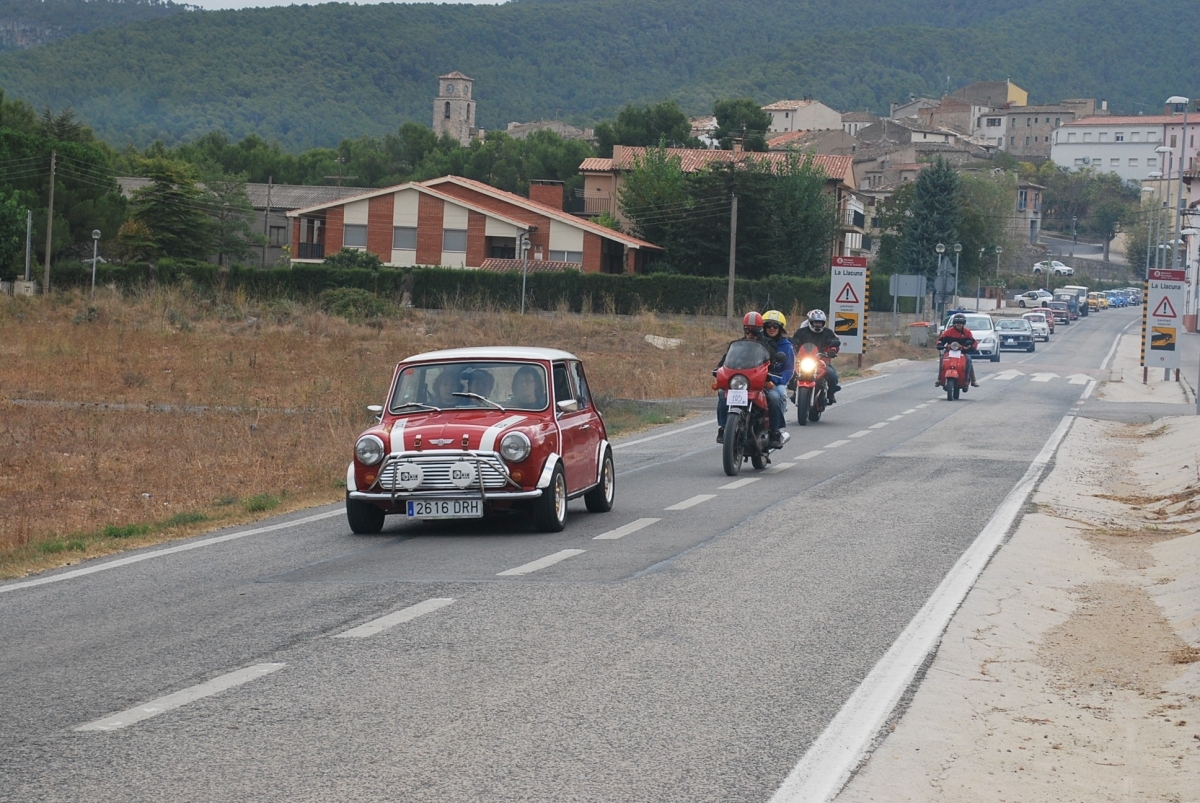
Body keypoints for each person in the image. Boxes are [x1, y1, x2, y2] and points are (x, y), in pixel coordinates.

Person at [715, 311, 783, 447]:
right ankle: (723, 428)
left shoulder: (768, 344)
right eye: (747, 329)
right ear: (744, 328)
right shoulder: (738, 345)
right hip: (741, 383)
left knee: (775, 397)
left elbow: (773, 359)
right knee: (722, 394)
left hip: (761, 383)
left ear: (760, 329)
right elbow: (725, 361)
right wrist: (718, 369)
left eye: (754, 330)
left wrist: (772, 373)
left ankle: (775, 432)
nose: (750, 333)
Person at [791, 310, 842, 403]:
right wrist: (793, 348)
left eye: (820, 322)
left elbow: (834, 342)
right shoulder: (801, 332)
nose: (818, 325)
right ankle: (795, 392)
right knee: (792, 373)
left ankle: (830, 394)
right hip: (804, 359)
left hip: (822, 361)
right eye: (815, 322)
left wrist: (832, 351)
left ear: (823, 323)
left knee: (833, 375)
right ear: (810, 322)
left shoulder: (828, 332)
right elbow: (795, 340)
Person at [761, 310, 794, 445]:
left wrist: (777, 380)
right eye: (769, 325)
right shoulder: (758, 342)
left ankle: (775, 431)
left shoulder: (786, 346)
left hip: (775, 381)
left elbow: (789, 369)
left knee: (776, 396)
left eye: (776, 326)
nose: (772, 329)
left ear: (781, 329)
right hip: (755, 379)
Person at [935, 313, 979, 387]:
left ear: (963, 323)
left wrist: (971, 347)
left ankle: (971, 380)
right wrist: (940, 344)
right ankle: (939, 379)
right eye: (957, 323)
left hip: (962, 352)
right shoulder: (948, 332)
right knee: (942, 358)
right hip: (949, 351)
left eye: (961, 323)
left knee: (968, 359)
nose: (959, 324)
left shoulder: (967, 332)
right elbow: (941, 340)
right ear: (954, 323)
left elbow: (974, 342)